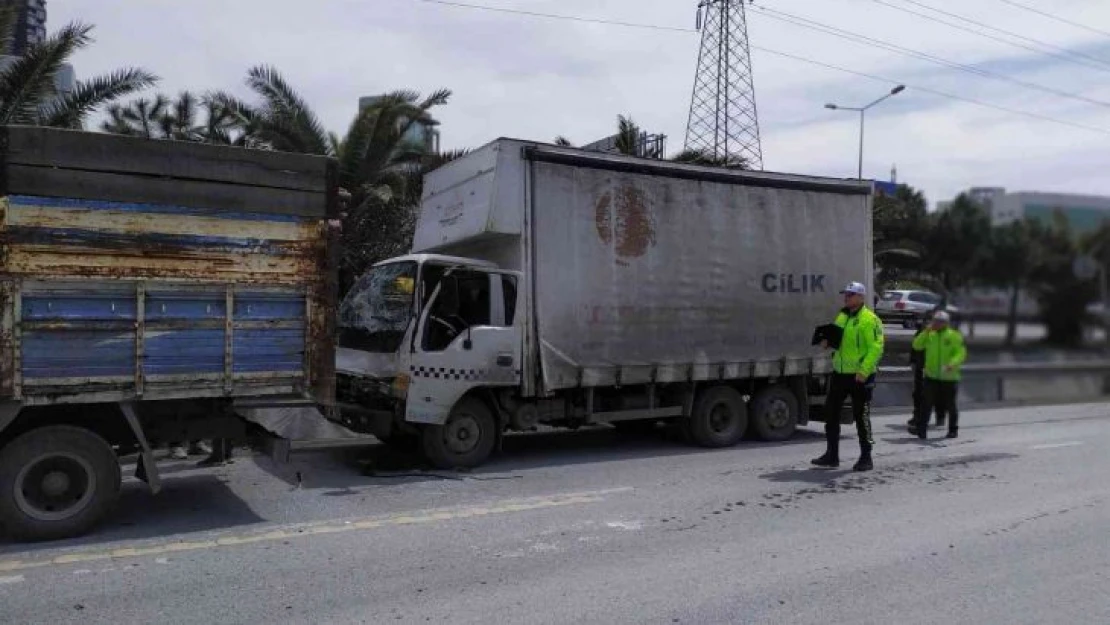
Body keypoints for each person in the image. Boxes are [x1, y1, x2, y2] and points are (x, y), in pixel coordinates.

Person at [813, 281, 885, 472]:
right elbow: (838, 340)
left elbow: (876, 348)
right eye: (846, 294)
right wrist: (827, 342)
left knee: (862, 417)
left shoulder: (870, 319)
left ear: (861, 297)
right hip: (840, 374)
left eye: (851, 294)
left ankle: (866, 457)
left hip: (860, 376)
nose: (847, 297)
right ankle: (832, 455)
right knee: (831, 413)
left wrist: (864, 371)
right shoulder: (842, 316)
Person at [911, 310, 967, 440]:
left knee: (950, 405)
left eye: (940, 321)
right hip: (931, 376)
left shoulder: (954, 336)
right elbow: (917, 345)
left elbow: (960, 353)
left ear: (946, 323)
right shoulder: (930, 335)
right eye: (935, 320)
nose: (936, 323)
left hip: (949, 377)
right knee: (926, 404)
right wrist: (926, 332)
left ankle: (953, 430)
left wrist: (952, 364)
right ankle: (921, 430)